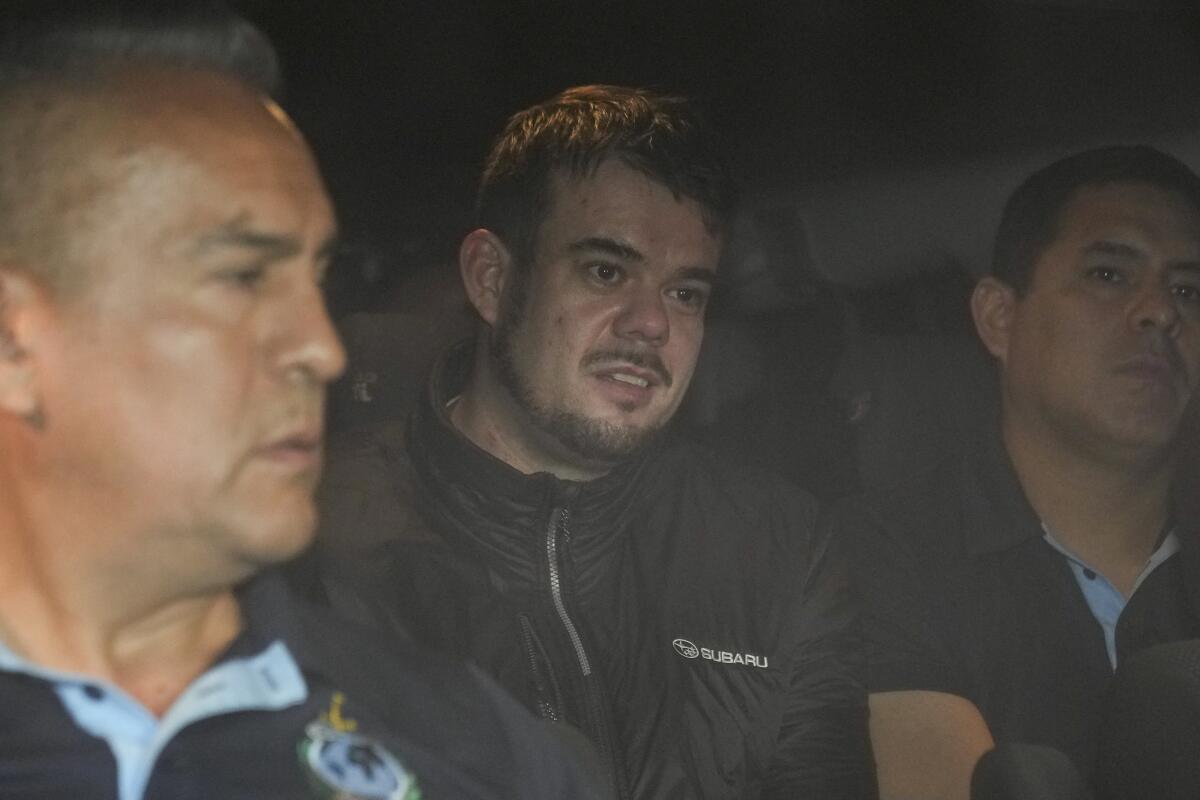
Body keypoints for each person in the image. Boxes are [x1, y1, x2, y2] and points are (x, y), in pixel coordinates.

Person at [0, 5, 603, 798]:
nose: (321, 347)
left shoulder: (473, 748)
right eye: (242, 277)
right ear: (16, 342)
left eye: (316, 279)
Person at [311, 85, 874, 798]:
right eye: (606, 272)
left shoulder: (778, 545)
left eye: (685, 293)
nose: (651, 324)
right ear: (492, 279)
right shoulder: (313, 540)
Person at [840, 146, 1200, 800]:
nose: (1160, 313)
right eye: (1109, 275)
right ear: (999, 318)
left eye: (1188, 289)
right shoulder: (884, 555)